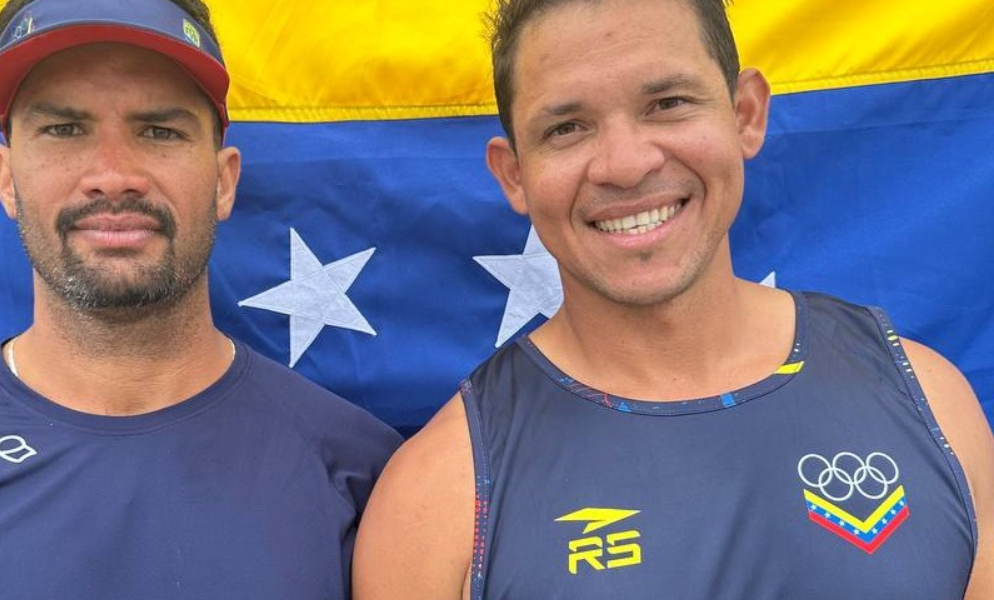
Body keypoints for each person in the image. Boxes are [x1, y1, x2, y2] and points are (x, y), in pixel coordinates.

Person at [353, 0, 994, 598]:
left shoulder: (930, 401)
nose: (626, 165)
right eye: (567, 128)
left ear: (745, 114)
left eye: (668, 103)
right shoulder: (437, 499)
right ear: (514, 174)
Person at [0, 0, 401, 598]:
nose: (113, 176)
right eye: (64, 130)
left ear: (223, 181)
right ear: (5, 178)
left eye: (159, 131)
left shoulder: (364, 479)